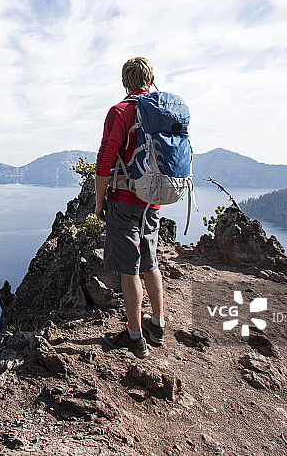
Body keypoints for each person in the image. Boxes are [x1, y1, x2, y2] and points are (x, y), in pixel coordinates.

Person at [95, 56, 165, 358]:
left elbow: (105, 158)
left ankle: (135, 336)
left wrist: (99, 201)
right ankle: (158, 324)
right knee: (151, 262)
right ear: (151, 80)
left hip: (124, 200)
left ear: (125, 81)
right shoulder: (162, 113)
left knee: (129, 269)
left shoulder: (121, 111)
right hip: (154, 199)